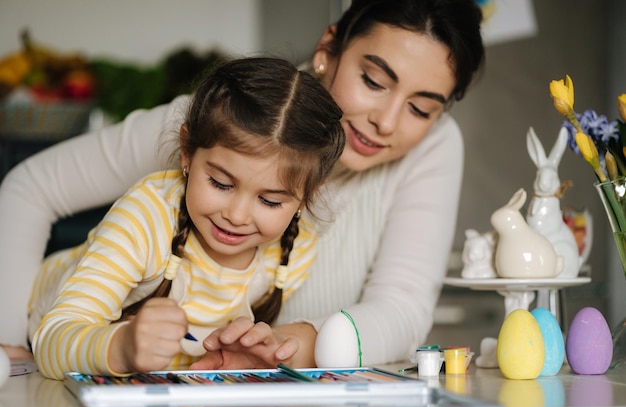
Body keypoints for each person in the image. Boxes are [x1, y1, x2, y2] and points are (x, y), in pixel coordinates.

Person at [0, 0, 485, 367]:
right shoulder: (228, 119)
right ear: (328, 49)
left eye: (422, 108)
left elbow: (402, 307)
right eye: (374, 81)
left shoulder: (433, 147)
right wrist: (8, 342)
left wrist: (287, 346)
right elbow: (30, 187)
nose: (387, 120)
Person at [27, 57, 345, 380]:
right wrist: (121, 346)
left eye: (269, 200)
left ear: (305, 196)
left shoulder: (296, 249)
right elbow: (51, 343)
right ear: (187, 152)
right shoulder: (146, 219)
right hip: (34, 334)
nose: (236, 216)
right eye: (220, 183)